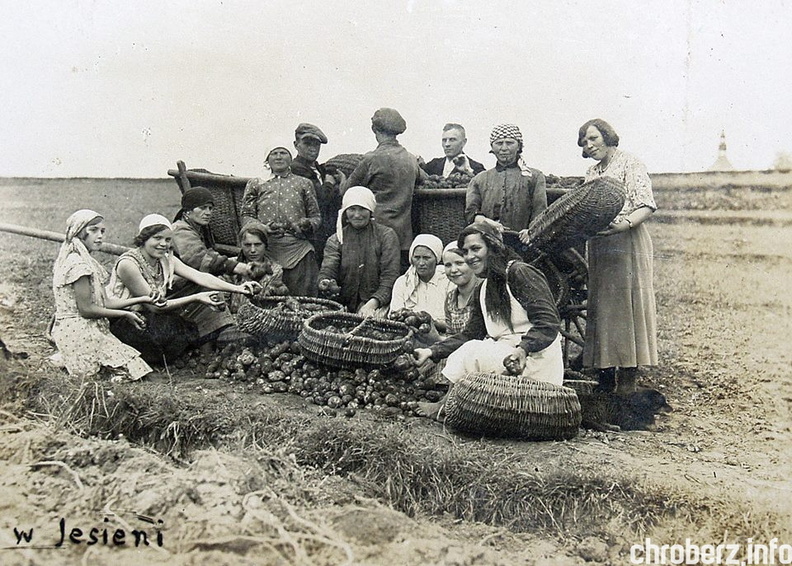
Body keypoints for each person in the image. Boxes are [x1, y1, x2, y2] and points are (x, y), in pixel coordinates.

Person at [413, 222, 563, 419]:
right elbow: (470, 334)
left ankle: (444, 406)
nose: (470, 257)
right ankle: (451, 404)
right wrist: (431, 351)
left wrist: (523, 348)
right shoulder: (483, 289)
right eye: (465, 251)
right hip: (508, 359)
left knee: (472, 350)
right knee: (472, 347)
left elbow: (549, 323)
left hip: (534, 360)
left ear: (493, 247)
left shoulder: (519, 273)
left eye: (476, 249)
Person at [108, 214, 260, 364]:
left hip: (149, 315)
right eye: (157, 238)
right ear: (143, 238)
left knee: (199, 291)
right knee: (171, 333)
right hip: (125, 319)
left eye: (167, 240)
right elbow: (155, 307)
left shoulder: (166, 258)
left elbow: (200, 276)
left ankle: (202, 350)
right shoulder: (129, 264)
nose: (163, 244)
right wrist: (196, 298)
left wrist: (238, 288)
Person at [577, 118, 658, 394]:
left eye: (594, 138)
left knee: (626, 306)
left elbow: (646, 204)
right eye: (585, 141)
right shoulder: (591, 172)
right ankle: (605, 374)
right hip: (601, 245)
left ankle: (627, 379)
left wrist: (623, 225)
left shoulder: (630, 163)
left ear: (608, 137)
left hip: (626, 240)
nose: (590, 145)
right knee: (604, 308)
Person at [50, 210, 154, 381]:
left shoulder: (86, 261)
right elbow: (86, 309)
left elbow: (104, 302)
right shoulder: (77, 264)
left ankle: (68, 362)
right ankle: (68, 361)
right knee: (128, 373)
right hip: (77, 329)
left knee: (137, 368)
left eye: (102, 231)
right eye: (94, 230)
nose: (99, 236)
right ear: (79, 231)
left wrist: (142, 299)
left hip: (91, 327)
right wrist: (126, 313)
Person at [341, 108, 426, 270]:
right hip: (404, 239)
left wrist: (341, 179)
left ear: (375, 130)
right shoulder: (410, 159)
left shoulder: (371, 159)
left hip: (375, 238)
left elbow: (346, 192)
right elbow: (426, 180)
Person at [240, 146, 322, 297]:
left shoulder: (303, 183)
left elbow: (316, 217)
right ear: (267, 159)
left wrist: (305, 224)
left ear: (290, 158)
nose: (278, 157)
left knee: (303, 299)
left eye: (283, 153)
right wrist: (263, 228)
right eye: (274, 153)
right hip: (265, 250)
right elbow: (246, 215)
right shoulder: (256, 183)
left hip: (298, 251)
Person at [318, 186, 400, 316]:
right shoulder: (336, 239)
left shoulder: (386, 236)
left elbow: (390, 276)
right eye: (352, 209)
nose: (357, 215)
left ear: (370, 210)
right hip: (344, 305)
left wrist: (373, 303)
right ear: (345, 211)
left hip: (378, 304)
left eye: (362, 209)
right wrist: (325, 281)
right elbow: (328, 269)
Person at [465, 124, 548, 244]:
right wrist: (486, 222)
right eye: (499, 143)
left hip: (523, 242)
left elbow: (540, 210)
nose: (504, 148)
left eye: (509, 143)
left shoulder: (535, 177)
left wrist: (531, 231)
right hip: (488, 242)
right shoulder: (479, 180)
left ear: (519, 146)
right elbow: (471, 212)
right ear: (492, 147)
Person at [289, 123, 345, 265]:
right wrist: (330, 184)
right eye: (307, 143)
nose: (313, 148)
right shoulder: (296, 169)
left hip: (325, 230)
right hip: (310, 233)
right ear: (296, 145)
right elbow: (320, 200)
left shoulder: (319, 169)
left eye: (316, 144)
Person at [390, 234, 451, 332]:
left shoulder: (448, 281)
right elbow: (395, 316)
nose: (421, 263)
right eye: (417, 257)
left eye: (427, 258)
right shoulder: (403, 283)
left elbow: (454, 323)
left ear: (436, 259)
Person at [225, 222, 289, 313]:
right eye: (247, 245)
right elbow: (223, 297)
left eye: (258, 244)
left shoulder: (275, 270)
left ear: (265, 245)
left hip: (263, 318)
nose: (253, 250)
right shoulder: (231, 265)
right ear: (241, 245)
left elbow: (272, 302)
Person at [441, 241, 480, 335]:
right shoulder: (451, 298)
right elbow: (450, 336)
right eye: (448, 265)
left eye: (459, 263)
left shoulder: (484, 291)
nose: (453, 270)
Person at [421, 123, 486, 178]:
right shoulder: (433, 165)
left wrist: (468, 171)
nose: (447, 144)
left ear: (463, 142)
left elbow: (484, 185)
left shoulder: (475, 167)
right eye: (444, 140)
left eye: (452, 140)